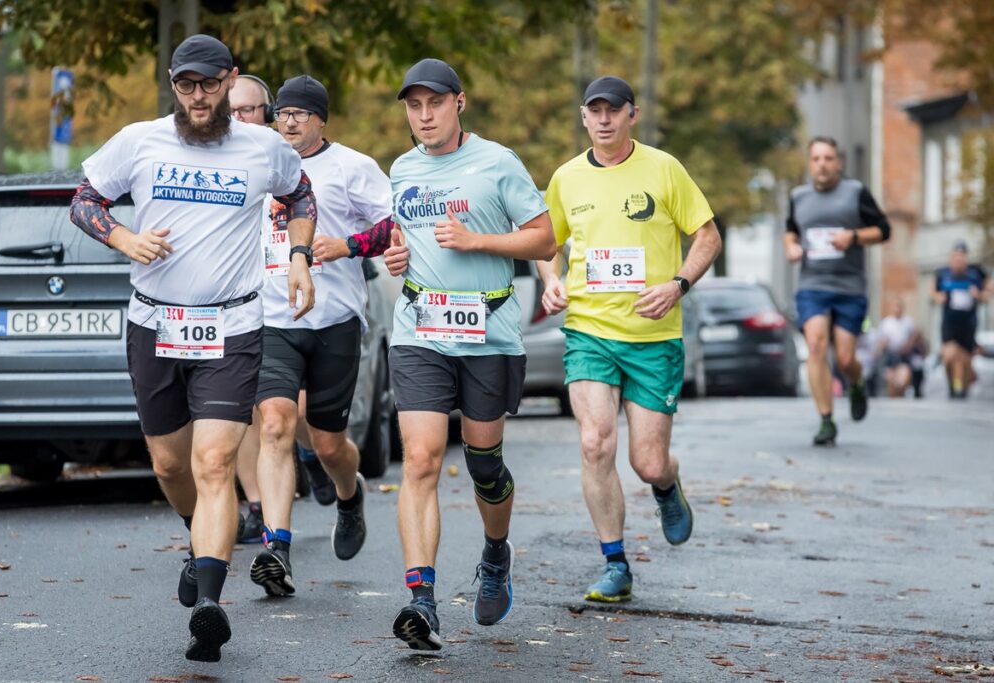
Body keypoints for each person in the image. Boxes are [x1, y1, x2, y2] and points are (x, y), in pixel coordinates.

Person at [69, 35, 316, 662]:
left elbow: (300, 196)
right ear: (173, 84)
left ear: (230, 81)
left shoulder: (263, 146)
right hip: (154, 326)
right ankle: (196, 536)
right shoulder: (140, 140)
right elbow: (84, 200)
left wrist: (299, 257)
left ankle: (209, 604)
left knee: (213, 464)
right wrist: (123, 238)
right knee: (172, 468)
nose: (198, 96)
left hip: (232, 327)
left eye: (209, 84)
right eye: (186, 85)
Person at [382, 58, 555, 650]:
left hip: (488, 332)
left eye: (434, 103)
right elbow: (400, 237)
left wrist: (480, 239)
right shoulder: (401, 169)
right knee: (423, 459)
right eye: (413, 105)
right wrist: (396, 257)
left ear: (460, 103)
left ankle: (495, 554)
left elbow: (545, 237)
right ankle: (421, 600)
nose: (424, 115)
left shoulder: (497, 162)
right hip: (419, 328)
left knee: (484, 465)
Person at [537, 76, 720, 603]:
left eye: (613, 110)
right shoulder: (567, 177)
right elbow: (547, 241)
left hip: (653, 335)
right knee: (596, 443)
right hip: (590, 331)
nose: (604, 119)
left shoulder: (664, 169)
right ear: (583, 116)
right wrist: (552, 281)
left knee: (647, 461)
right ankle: (614, 564)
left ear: (632, 115)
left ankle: (666, 485)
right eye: (595, 111)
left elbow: (707, 235)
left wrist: (677, 285)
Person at [246, 74, 395, 597]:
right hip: (270, 319)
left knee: (329, 444)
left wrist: (346, 245)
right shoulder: (255, 162)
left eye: (300, 114)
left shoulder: (352, 167)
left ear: (321, 120)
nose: (288, 121)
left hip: (333, 320)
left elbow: (392, 227)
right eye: (282, 112)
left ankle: (349, 498)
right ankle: (277, 549)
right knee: (275, 426)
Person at [784, 136, 890, 446]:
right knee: (816, 346)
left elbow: (884, 230)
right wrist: (790, 247)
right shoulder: (798, 197)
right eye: (816, 159)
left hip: (850, 287)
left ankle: (856, 383)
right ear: (809, 163)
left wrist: (853, 237)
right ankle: (826, 419)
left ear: (839, 163)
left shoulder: (855, 193)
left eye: (828, 158)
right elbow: (790, 230)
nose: (822, 164)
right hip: (812, 285)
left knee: (845, 359)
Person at [228, 73, 275, 543]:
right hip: (239, 310)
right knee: (248, 415)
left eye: (248, 110)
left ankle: (315, 460)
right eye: (232, 110)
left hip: (294, 312)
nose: (239, 118)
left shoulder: (284, 161)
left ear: (269, 113)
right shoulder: (214, 164)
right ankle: (259, 507)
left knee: (290, 417)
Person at [933, 240, 989, 398]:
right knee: (949, 355)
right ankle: (953, 385)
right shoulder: (943, 274)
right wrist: (938, 298)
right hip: (950, 323)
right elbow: (933, 292)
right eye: (955, 257)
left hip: (968, 324)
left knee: (964, 360)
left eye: (962, 257)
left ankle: (961, 389)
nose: (959, 261)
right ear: (951, 258)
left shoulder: (975, 273)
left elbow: (988, 291)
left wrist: (980, 295)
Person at [876, 298, 921, 398]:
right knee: (891, 382)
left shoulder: (908, 322)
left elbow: (915, 336)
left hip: (903, 357)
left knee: (903, 380)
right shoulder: (886, 323)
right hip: (890, 357)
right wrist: (884, 345)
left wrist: (909, 345)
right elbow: (880, 344)